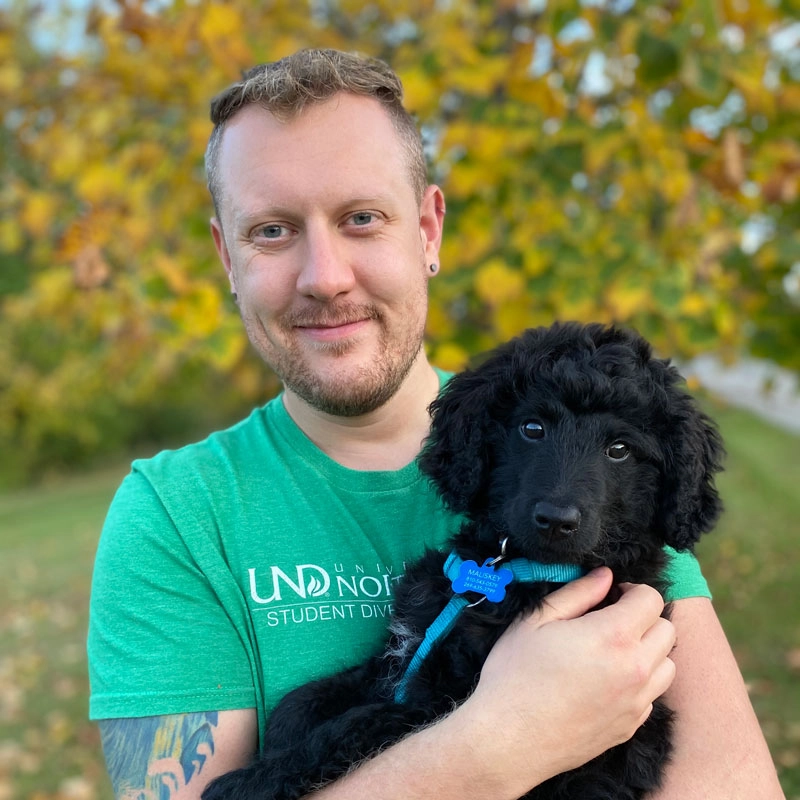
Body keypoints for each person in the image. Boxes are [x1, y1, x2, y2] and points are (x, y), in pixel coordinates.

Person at [88, 48, 784, 799]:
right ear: (227, 257)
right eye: (272, 231)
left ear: (427, 229)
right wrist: (495, 745)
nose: (324, 276)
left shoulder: (619, 516)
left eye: (361, 218)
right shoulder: (173, 518)